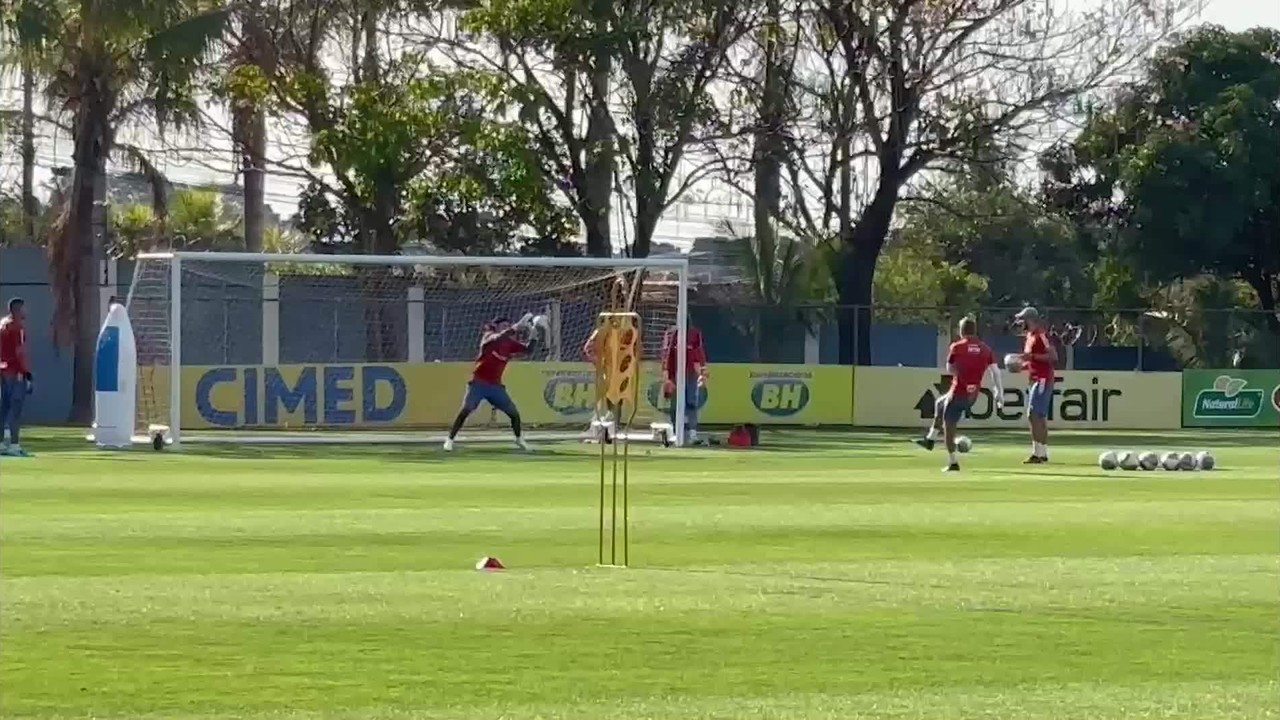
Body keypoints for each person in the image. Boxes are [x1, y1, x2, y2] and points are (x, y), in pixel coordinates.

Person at [913, 317, 1002, 472]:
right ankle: (930, 439)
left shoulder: (957, 347)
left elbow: (949, 367)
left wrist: (961, 377)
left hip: (958, 392)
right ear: (974, 330)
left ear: (961, 331)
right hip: (972, 396)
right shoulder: (986, 349)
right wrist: (999, 392)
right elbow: (995, 371)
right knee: (940, 403)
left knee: (949, 427)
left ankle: (953, 462)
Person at [444, 314, 535, 452]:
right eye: (504, 326)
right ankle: (450, 440)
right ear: (496, 327)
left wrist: (534, 334)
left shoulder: (509, 344)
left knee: (514, 413)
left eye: (508, 326)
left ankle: (519, 439)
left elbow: (528, 350)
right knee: (467, 409)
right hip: (478, 383)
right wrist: (513, 328)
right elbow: (496, 339)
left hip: (495, 386)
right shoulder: (489, 336)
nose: (507, 328)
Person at [1014, 306, 1056, 464]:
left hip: (1042, 378)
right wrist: (1021, 366)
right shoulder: (1030, 336)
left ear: (1030, 319)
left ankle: (1037, 453)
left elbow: (1052, 356)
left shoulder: (1041, 335)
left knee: (1033, 415)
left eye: (1023, 320)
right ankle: (1041, 452)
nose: (1021, 323)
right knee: (1038, 416)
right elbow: (1033, 361)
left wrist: (1030, 356)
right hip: (1036, 378)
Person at [661, 321, 707, 446]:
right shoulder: (671, 334)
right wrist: (667, 376)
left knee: (691, 403)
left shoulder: (695, 334)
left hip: (690, 373)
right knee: (675, 404)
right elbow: (665, 354)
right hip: (675, 373)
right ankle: (676, 432)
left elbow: (700, 352)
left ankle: (692, 433)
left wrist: (702, 372)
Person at [0, 297, 33, 457]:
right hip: (14, 371)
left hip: (3, 370)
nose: (26, 312)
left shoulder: (2, 324)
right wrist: (26, 372)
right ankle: (14, 444)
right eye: (24, 308)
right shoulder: (17, 327)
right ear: (17, 310)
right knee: (16, 407)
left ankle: (1, 444)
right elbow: (19, 352)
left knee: (4, 408)